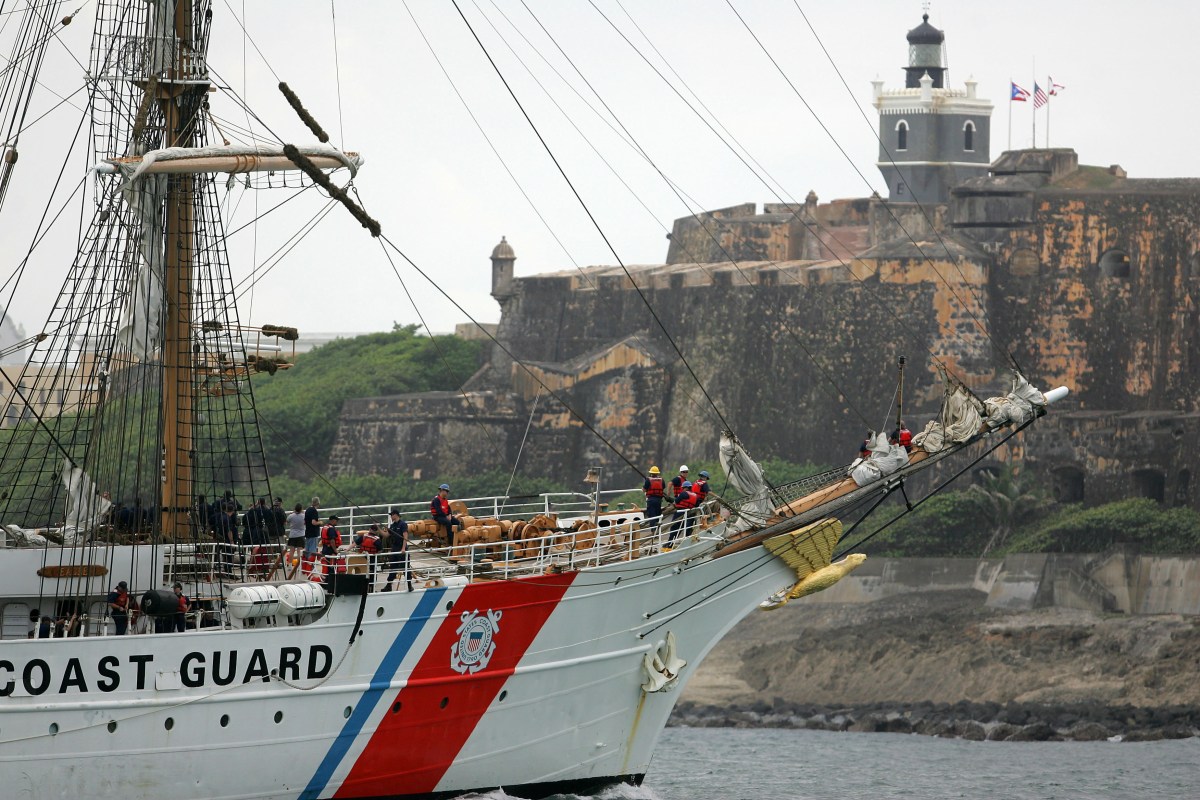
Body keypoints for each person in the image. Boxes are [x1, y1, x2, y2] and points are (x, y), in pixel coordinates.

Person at [382, 509, 412, 592]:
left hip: (401, 548)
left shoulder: (403, 524)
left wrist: (403, 548)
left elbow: (405, 536)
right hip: (394, 548)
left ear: (396, 515)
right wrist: (379, 529)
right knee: (393, 567)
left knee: (405, 567)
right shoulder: (392, 526)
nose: (391, 517)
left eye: (392, 515)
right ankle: (389, 585)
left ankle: (409, 585)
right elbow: (386, 535)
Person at [669, 481, 698, 547]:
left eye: (683, 488)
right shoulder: (695, 495)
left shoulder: (683, 494)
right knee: (685, 528)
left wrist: (670, 500)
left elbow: (676, 501)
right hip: (690, 514)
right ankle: (687, 544)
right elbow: (696, 505)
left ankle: (670, 544)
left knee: (674, 527)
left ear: (686, 488)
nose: (683, 489)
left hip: (680, 513)